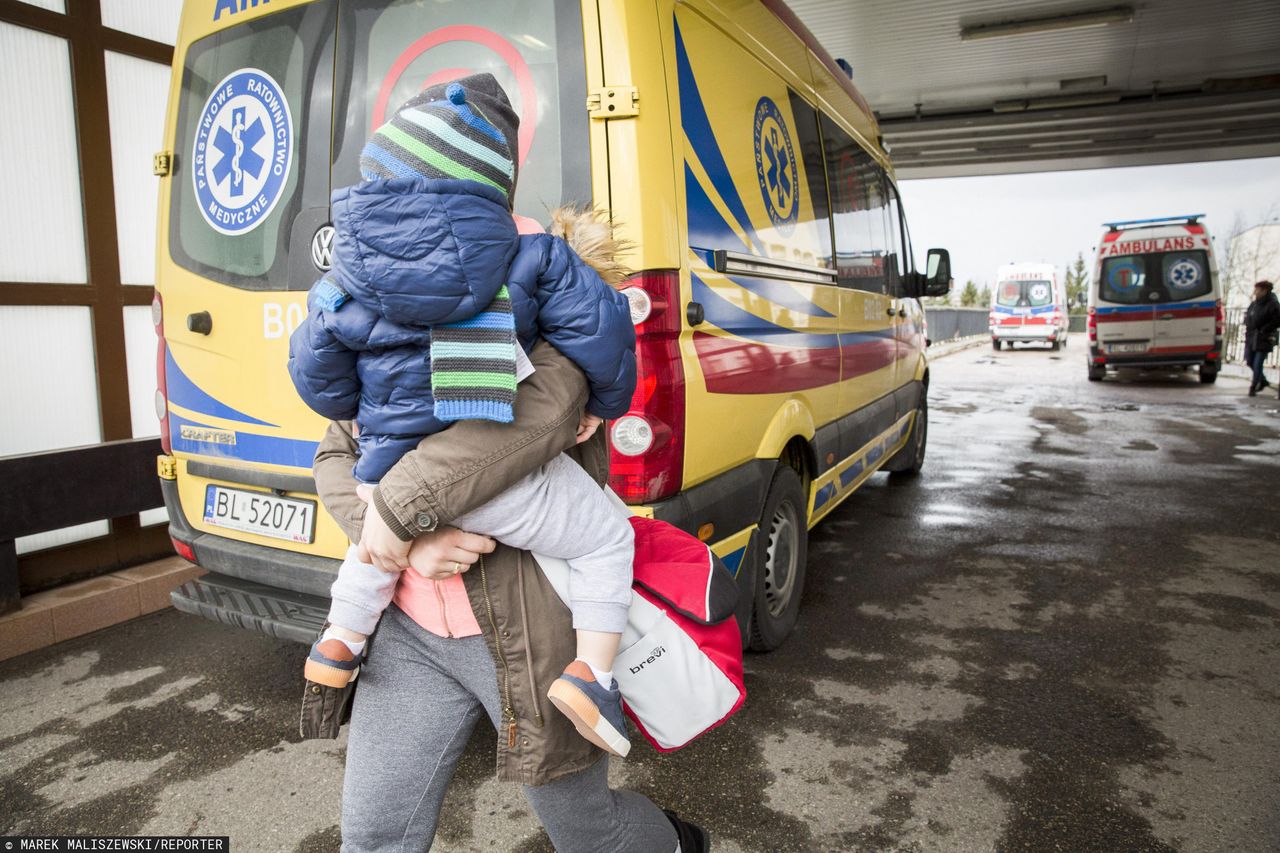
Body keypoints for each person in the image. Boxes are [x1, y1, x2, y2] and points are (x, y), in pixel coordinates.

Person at [288, 76, 639, 757]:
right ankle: (593, 671)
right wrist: (605, 402)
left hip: (388, 464)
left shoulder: (347, 281)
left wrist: (357, 409)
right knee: (605, 536)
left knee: (370, 533)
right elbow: (604, 330)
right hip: (498, 491)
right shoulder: (531, 258)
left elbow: (318, 379)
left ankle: (341, 636)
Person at [1243, 279, 1280, 397]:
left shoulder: (1273, 303)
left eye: (1257, 290)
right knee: (1249, 361)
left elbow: (1277, 319)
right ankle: (1262, 380)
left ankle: (1254, 386)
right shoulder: (1255, 304)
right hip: (1252, 336)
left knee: (1257, 363)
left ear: (1264, 290)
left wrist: (1266, 329)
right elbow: (1248, 316)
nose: (1255, 292)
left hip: (1264, 337)